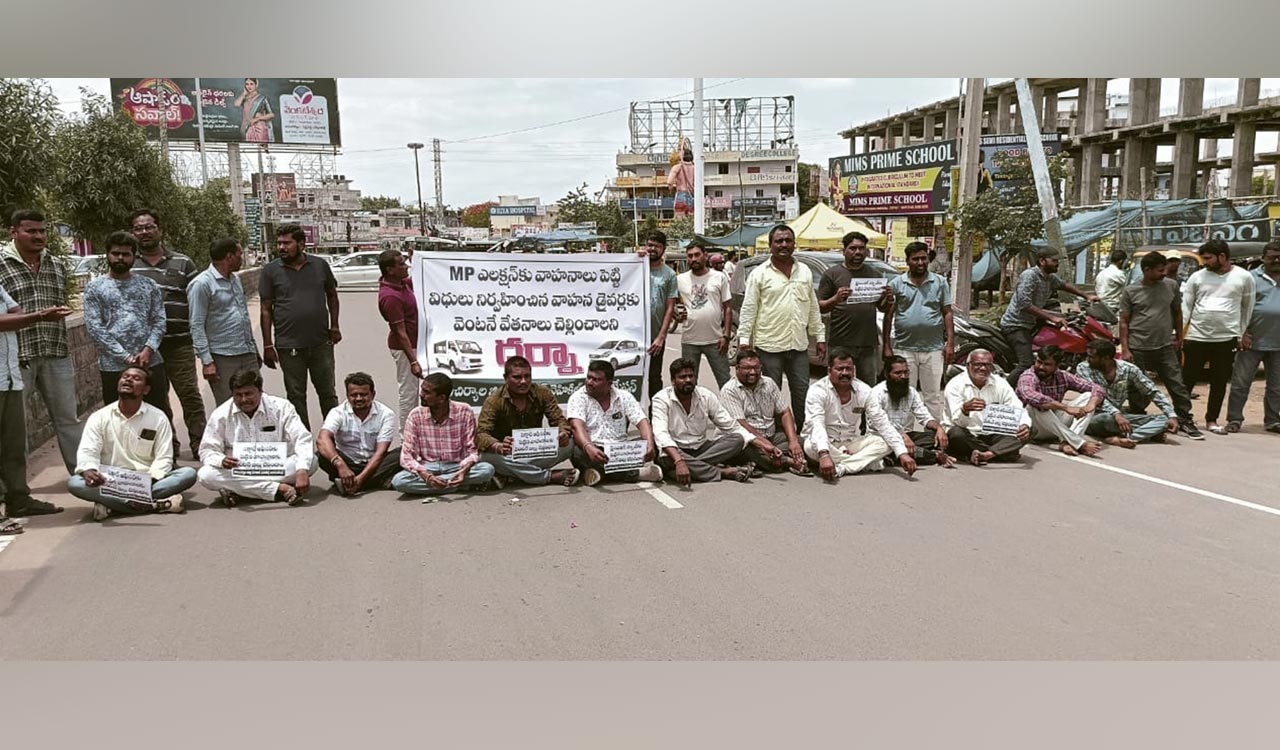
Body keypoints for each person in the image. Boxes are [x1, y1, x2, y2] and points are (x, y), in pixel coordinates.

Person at [1, 209, 84, 473]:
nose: (38, 236)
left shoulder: (57, 265)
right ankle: (17, 489)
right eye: (31, 231)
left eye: (42, 231)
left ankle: (84, 476)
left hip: (55, 351)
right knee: (16, 425)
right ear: (14, 233)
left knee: (68, 419)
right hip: (16, 358)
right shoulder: (1, 264)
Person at [68, 367, 198, 520]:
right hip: (111, 481)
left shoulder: (158, 417)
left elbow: (164, 457)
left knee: (188, 474)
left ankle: (114, 506)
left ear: (146, 389)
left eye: (136, 378)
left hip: (147, 480)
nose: (128, 380)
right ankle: (153, 504)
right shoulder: (99, 417)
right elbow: (88, 450)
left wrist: (149, 481)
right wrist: (89, 470)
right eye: (125, 376)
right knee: (75, 483)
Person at [129, 208, 205, 460]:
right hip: (146, 348)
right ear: (133, 233)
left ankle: (201, 445)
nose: (144, 232)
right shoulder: (129, 266)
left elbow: (197, 302)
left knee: (190, 396)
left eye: (149, 226)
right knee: (157, 401)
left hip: (180, 343)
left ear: (160, 229)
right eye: (139, 228)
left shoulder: (183, 263)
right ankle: (167, 448)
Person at [739, 225, 826, 432]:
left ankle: (805, 437)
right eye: (779, 241)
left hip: (798, 346)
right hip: (769, 346)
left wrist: (819, 336)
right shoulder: (760, 274)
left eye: (788, 240)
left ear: (794, 244)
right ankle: (778, 437)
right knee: (771, 395)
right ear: (770, 246)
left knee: (802, 394)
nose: (784, 245)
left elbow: (812, 306)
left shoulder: (804, 271)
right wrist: (744, 341)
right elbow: (749, 308)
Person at [0, 277, 69, 523]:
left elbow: (16, 311)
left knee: (14, 446)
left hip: (9, 376)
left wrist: (20, 318)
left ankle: (18, 500)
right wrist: (39, 316)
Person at [260, 223, 341, 430]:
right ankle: (303, 443)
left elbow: (332, 295)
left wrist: (335, 325)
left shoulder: (320, 265)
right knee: (296, 396)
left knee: (328, 393)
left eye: (287, 243)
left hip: (321, 342)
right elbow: (266, 309)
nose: (282, 247)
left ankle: (333, 438)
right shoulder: (270, 271)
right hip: (288, 345)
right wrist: (268, 345)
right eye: (279, 243)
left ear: (301, 244)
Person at [82, 231, 172, 417]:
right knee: (118, 419)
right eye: (116, 253)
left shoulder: (148, 286)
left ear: (134, 256)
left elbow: (159, 320)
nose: (120, 258)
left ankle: (165, 447)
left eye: (126, 254)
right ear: (108, 255)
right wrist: (125, 357)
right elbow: (95, 328)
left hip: (150, 363)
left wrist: (148, 350)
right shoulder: (95, 288)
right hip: (114, 366)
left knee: (158, 415)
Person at [197, 368, 316, 506]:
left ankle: (240, 489)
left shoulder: (281, 407)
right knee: (205, 475)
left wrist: (301, 470)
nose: (244, 400)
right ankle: (279, 489)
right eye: (238, 395)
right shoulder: (221, 414)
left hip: (276, 466)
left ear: (260, 391)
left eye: (248, 394)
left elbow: (302, 437)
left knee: (311, 462)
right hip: (239, 469)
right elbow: (206, 450)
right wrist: (221, 460)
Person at [1118, 251, 1202, 440]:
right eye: (1159, 270)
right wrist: (1125, 348)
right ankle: (1138, 416)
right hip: (1138, 346)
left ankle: (1184, 419)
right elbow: (1123, 321)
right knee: (1138, 387)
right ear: (1147, 270)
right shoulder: (1131, 290)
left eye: (1164, 269)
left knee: (1177, 384)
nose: (1164, 273)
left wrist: (1180, 338)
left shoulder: (1171, 286)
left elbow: (1177, 313)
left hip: (1165, 346)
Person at [804, 348, 915, 480]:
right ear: (829, 371)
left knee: (885, 442)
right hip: (823, 443)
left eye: (848, 369)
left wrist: (902, 453)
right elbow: (817, 425)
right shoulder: (817, 391)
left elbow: (882, 422)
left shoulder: (864, 391)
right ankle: (862, 462)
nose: (845, 373)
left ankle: (843, 467)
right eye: (840, 369)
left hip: (849, 443)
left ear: (854, 370)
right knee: (810, 446)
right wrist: (824, 454)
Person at [1181, 239, 1255, 435]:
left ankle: (1211, 421)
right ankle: (1180, 417)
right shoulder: (1197, 277)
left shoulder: (1244, 277)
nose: (1204, 262)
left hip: (1226, 339)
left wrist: (1240, 334)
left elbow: (1247, 308)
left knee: (1219, 381)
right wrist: (1180, 334)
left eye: (1208, 258)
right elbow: (1186, 307)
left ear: (1222, 256)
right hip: (1196, 337)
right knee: (1187, 379)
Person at [651, 358, 760, 486]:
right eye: (682, 377)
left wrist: (761, 444)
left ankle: (688, 468)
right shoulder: (661, 399)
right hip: (676, 450)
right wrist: (679, 460)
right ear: (673, 380)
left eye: (691, 376)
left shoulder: (705, 395)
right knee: (665, 457)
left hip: (702, 449)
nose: (688, 380)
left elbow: (730, 425)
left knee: (738, 439)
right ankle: (722, 472)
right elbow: (661, 435)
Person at [999, 246, 1100, 384]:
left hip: (1032, 323)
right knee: (1026, 364)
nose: (1057, 263)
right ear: (1042, 261)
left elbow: (1064, 285)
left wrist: (1087, 296)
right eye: (1054, 260)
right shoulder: (1030, 276)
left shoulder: (1049, 277)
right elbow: (1025, 304)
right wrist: (1052, 317)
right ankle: (1005, 394)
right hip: (1016, 325)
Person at [476, 356, 578, 488]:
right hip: (507, 454)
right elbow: (481, 434)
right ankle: (549, 477)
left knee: (570, 443)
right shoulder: (494, 400)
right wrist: (498, 446)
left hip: (535, 450)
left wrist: (563, 433)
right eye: (517, 377)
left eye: (527, 376)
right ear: (506, 378)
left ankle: (511, 474)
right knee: (485, 456)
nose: (523, 381)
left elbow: (558, 419)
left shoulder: (543, 393)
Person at [391, 373, 495, 499]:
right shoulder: (415, 415)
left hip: (457, 465)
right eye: (422, 390)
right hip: (427, 467)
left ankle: (438, 487)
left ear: (441, 398)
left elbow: (473, 451)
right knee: (399, 481)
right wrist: (427, 476)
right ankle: (460, 486)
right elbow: (406, 456)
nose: (421, 394)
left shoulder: (464, 411)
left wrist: (464, 471)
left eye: (426, 392)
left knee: (487, 470)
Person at [883, 241, 954, 419]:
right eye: (916, 259)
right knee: (905, 394)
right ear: (908, 261)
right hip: (904, 348)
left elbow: (947, 313)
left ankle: (932, 436)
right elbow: (888, 315)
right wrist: (886, 346)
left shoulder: (939, 282)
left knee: (933, 395)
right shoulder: (897, 284)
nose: (920, 262)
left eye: (923, 258)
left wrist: (950, 344)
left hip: (934, 349)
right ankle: (905, 436)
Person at [188, 238, 260, 406]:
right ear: (229, 256)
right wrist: (207, 362)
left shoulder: (235, 280)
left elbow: (243, 317)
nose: (242, 258)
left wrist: (254, 350)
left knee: (254, 401)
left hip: (246, 352)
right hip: (222, 357)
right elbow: (196, 325)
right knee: (229, 406)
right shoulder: (202, 284)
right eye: (240, 254)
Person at [565, 359, 661, 486]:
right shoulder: (578, 398)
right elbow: (577, 427)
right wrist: (589, 448)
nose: (589, 382)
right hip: (593, 449)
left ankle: (597, 473)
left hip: (619, 450)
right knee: (575, 448)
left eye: (596, 380)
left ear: (609, 383)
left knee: (653, 439)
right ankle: (638, 473)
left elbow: (642, 422)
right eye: (588, 377)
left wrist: (649, 445)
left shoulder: (624, 396)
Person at [719, 350, 809, 475]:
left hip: (772, 436)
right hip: (748, 440)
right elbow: (742, 425)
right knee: (750, 452)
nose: (753, 372)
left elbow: (785, 412)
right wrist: (765, 445)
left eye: (756, 368)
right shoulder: (729, 390)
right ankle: (789, 461)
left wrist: (793, 442)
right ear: (737, 368)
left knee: (807, 444)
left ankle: (774, 461)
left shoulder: (769, 383)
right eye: (747, 368)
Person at [1077, 339, 1178, 449]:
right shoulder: (1083, 368)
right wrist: (1116, 414)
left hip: (1120, 417)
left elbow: (1152, 391)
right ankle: (1145, 433)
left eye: (1092, 357)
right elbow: (1096, 397)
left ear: (1105, 358)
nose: (1088, 359)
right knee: (1106, 419)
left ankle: (1129, 438)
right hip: (1094, 415)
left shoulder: (1128, 369)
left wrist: (1171, 415)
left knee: (1165, 420)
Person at [818, 231, 890, 386]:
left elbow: (882, 308)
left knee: (868, 388)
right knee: (838, 385)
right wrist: (835, 299)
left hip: (867, 343)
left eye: (861, 248)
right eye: (852, 248)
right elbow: (820, 307)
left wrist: (886, 298)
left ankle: (865, 412)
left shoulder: (875, 275)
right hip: (840, 342)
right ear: (844, 251)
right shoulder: (832, 274)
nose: (857, 252)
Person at [942, 348, 1032, 466]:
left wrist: (1024, 425)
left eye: (987, 365)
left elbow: (1017, 408)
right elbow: (958, 422)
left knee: (1028, 430)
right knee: (956, 434)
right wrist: (965, 410)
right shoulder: (955, 385)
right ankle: (1003, 452)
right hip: (967, 434)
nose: (983, 368)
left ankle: (986, 455)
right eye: (978, 364)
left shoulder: (1000, 383)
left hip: (992, 433)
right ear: (968, 365)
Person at [317, 372, 400, 496]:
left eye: (364, 394)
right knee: (321, 455)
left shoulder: (386, 414)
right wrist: (340, 465)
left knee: (403, 452)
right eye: (354, 395)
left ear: (373, 394)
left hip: (375, 463)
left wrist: (360, 479)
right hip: (347, 463)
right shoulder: (337, 412)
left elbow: (380, 452)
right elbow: (322, 439)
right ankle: (375, 481)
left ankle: (352, 483)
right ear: (347, 395)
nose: (359, 398)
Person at [1227, 240, 1280, 434]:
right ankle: (1234, 419)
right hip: (1252, 341)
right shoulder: (1250, 278)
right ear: (1263, 258)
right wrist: (1243, 332)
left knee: (1276, 386)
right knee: (1241, 383)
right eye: (1272, 257)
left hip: (1278, 343)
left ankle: (1273, 421)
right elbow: (1238, 307)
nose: (1276, 261)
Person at [1014, 345, 1104, 457]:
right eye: (1039, 362)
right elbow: (1030, 396)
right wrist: (1066, 408)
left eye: (1047, 364)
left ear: (1057, 366)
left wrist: (1090, 405)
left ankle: (1068, 442)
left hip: (1055, 428)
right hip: (1032, 428)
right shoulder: (1028, 376)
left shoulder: (1063, 376)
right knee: (1038, 404)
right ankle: (1078, 443)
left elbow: (1097, 388)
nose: (1041, 367)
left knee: (1088, 396)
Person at [870, 356, 954, 468]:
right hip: (881, 437)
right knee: (891, 447)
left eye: (906, 372)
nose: (903, 376)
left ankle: (900, 456)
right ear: (887, 374)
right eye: (898, 373)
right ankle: (933, 456)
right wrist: (902, 436)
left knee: (938, 437)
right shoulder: (876, 393)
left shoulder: (911, 392)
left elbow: (924, 416)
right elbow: (877, 424)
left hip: (905, 435)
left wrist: (939, 429)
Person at [675, 242, 733, 388]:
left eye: (697, 255)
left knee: (725, 382)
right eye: (690, 256)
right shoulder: (680, 279)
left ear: (705, 255)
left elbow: (727, 308)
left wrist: (726, 336)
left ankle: (730, 410)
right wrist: (676, 314)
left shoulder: (719, 277)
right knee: (688, 384)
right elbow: (671, 304)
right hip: (689, 341)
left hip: (716, 341)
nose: (693, 259)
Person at [376, 248, 421, 429]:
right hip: (406, 349)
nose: (406, 267)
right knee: (409, 393)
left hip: (417, 344)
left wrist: (418, 261)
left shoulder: (403, 284)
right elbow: (400, 332)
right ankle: (406, 435)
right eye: (401, 264)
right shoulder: (390, 296)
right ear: (390, 270)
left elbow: (420, 279)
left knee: (422, 391)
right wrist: (413, 361)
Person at [639, 230, 678, 401]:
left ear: (663, 249)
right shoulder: (635, 266)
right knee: (631, 379)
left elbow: (670, 308)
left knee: (654, 378)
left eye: (657, 246)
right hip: (633, 336)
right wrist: (634, 258)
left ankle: (656, 418)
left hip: (656, 337)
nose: (652, 249)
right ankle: (623, 422)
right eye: (649, 245)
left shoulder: (669, 274)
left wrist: (661, 337)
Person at [235, 77, 274, 143]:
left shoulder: (262, 99)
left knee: (261, 149)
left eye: (251, 84)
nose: (249, 86)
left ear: (256, 85)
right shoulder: (245, 99)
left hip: (259, 128)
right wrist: (244, 94)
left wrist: (257, 119)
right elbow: (237, 104)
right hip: (246, 127)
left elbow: (271, 114)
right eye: (247, 84)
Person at [1094, 249, 1129, 318]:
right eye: (1125, 262)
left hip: (1100, 306)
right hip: (1112, 308)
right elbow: (1131, 286)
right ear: (1121, 261)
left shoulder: (1101, 273)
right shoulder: (1118, 274)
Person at [667, 143, 695, 217]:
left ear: (682, 156)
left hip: (681, 195)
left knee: (679, 223)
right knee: (691, 222)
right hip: (692, 196)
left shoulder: (677, 167)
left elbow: (669, 181)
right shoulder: (695, 168)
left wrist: (670, 188)